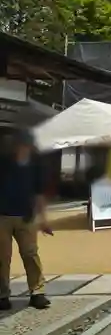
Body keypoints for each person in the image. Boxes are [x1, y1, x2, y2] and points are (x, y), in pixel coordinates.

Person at [0, 130, 52, 310]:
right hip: (3, 217)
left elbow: (39, 194)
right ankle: (2, 295)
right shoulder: (4, 162)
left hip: (26, 216)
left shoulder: (35, 166)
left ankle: (37, 292)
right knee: (2, 258)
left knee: (31, 254)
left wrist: (43, 219)